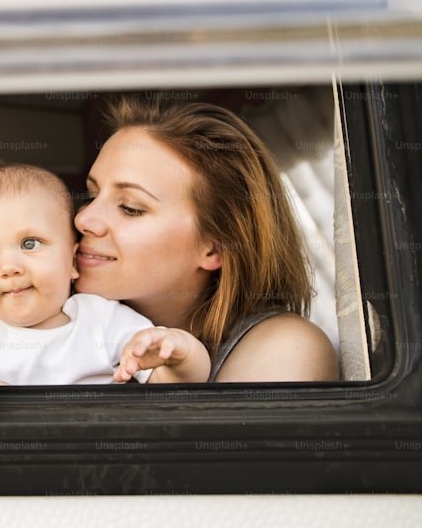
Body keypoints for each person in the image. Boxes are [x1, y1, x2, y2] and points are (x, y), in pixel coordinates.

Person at [0, 164, 210, 415]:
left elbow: (177, 383)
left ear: (73, 261)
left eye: (30, 243)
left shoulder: (101, 320)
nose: (8, 267)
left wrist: (182, 353)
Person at [74, 96, 339, 382]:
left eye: (130, 208)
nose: (83, 219)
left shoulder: (285, 347)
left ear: (215, 247)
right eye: (91, 197)